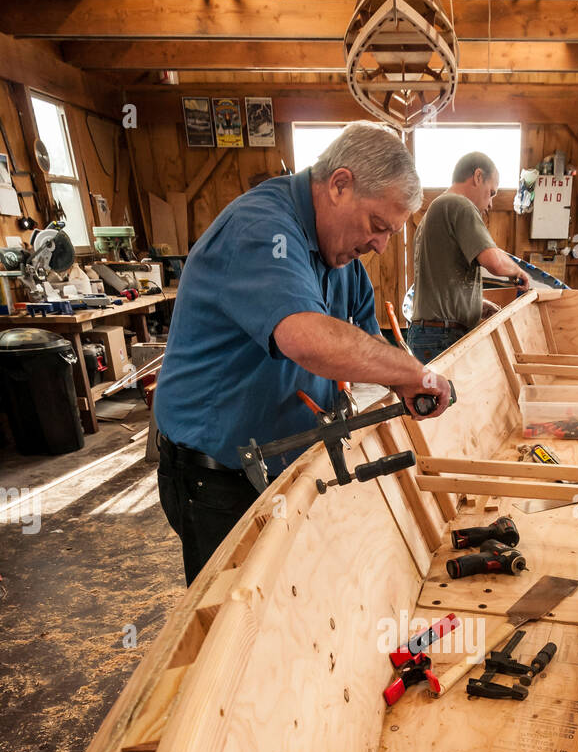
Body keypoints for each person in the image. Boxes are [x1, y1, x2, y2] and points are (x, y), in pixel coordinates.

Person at [154, 122, 451, 585]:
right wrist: (416, 373)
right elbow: (307, 339)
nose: (380, 246)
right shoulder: (262, 230)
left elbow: (368, 340)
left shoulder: (341, 256)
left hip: (285, 463)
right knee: (234, 621)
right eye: (377, 226)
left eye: (391, 233)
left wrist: (400, 376)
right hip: (218, 480)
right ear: (339, 185)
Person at [406, 151, 530, 365]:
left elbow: (441, 282)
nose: (491, 203)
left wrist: (475, 305)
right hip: (442, 336)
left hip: (430, 333)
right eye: (491, 192)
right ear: (478, 176)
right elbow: (494, 262)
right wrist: (519, 272)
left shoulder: (435, 212)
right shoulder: (459, 205)